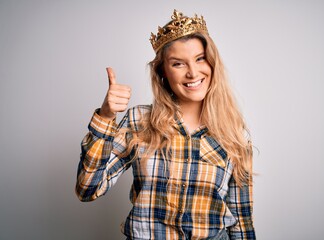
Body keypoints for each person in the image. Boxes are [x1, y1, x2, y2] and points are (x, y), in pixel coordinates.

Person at [76, 9, 256, 240]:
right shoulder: (139, 121)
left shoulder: (235, 135)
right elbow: (87, 189)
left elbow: (242, 221)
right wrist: (106, 116)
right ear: (163, 72)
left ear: (212, 63)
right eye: (178, 63)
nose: (192, 73)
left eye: (200, 59)